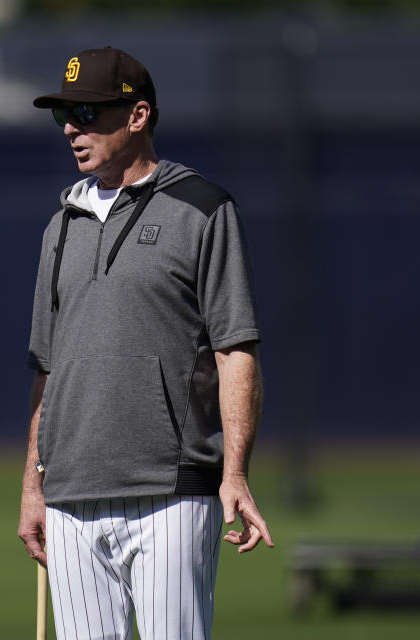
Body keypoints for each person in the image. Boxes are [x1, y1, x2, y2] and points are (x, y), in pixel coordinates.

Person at [17, 46, 272, 639]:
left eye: (88, 113)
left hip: (172, 491)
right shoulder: (60, 226)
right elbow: (46, 371)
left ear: (137, 116)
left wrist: (235, 474)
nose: (72, 129)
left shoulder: (204, 209)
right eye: (64, 117)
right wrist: (33, 487)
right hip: (72, 496)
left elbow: (236, 349)